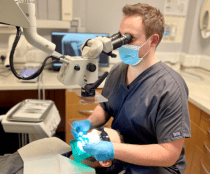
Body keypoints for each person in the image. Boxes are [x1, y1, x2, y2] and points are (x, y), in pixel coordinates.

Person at [72, 3, 191, 174]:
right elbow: (106, 107)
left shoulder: (170, 87)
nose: (122, 44)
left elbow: (169, 154)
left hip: (155, 167)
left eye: (130, 38)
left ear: (153, 40)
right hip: (121, 152)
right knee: (73, 161)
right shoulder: (118, 70)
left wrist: (113, 150)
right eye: (120, 36)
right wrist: (89, 122)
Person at [0, 128, 126, 174]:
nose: (94, 132)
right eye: (99, 129)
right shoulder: (53, 144)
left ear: (105, 162)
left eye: (103, 137)